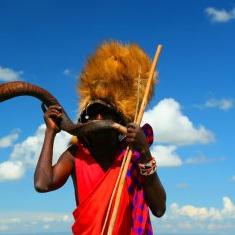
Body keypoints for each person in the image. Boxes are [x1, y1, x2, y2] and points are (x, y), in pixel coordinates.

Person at [34, 41, 166, 234]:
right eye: (93, 113)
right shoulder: (76, 155)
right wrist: (50, 132)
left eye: (105, 113)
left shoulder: (131, 156)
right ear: (83, 122)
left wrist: (145, 153)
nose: (98, 118)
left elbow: (159, 209)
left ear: (119, 120)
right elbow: (42, 184)